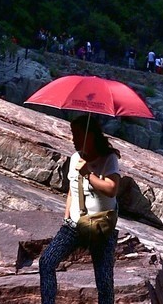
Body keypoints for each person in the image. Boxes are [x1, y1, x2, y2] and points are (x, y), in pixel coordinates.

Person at [38, 114, 120, 304]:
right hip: (74, 225)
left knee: (104, 281)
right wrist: (66, 216)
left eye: (77, 134)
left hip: (100, 226)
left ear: (89, 136)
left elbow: (111, 189)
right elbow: (72, 191)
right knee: (47, 262)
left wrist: (88, 174)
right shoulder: (75, 157)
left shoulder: (109, 159)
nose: (73, 139)